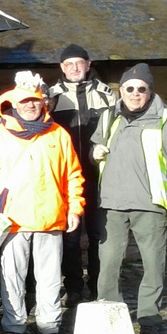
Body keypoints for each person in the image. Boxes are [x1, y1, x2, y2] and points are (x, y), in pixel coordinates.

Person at [0, 72, 85, 334]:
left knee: (50, 278)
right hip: (12, 219)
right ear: (14, 103)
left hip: (51, 217)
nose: (30, 105)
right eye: (25, 101)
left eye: (35, 100)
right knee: (12, 277)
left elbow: (73, 174)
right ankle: (14, 326)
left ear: (43, 102)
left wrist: (75, 208)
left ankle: (49, 326)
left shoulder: (58, 133)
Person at [91, 63, 167, 334]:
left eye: (141, 89)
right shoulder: (108, 117)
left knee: (153, 264)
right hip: (112, 203)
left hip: (150, 204)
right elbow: (96, 148)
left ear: (150, 91)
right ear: (121, 90)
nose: (135, 93)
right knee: (108, 264)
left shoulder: (166, 120)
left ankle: (149, 321)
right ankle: (110, 316)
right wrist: (94, 152)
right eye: (130, 88)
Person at [48, 44, 116, 304]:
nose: (74, 68)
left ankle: (99, 287)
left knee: (100, 234)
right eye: (69, 64)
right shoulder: (52, 97)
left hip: (99, 175)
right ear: (62, 67)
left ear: (88, 64)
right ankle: (74, 286)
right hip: (65, 177)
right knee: (70, 235)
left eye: (79, 63)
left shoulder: (106, 95)